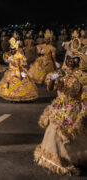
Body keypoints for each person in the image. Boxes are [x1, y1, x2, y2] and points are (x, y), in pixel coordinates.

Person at [34, 38, 87, 175]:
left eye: (74, 58)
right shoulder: (61, 73)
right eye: (68, 57)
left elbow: (85, 96)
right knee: (53, 132)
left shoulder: (83, 77)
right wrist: (52, 79)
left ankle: (73, 159)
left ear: (80, 61)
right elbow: (50, 88)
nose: (70, 61)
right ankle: (57, 160)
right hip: (59, 107)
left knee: (72, 136)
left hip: (75, 109)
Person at [0, 37, 38, 102]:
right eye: (11, 49)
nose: (12, 51)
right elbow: (6, 60)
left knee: (24, 80)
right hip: (11, 71)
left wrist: (20, 68)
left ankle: (24, 95)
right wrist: (8, 60)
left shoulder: (19, 55)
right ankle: (11, 96)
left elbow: (22, 62)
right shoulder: (9, 55)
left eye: (14, 49)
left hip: (19, 70)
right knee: (8, 81)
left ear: (16, 49)